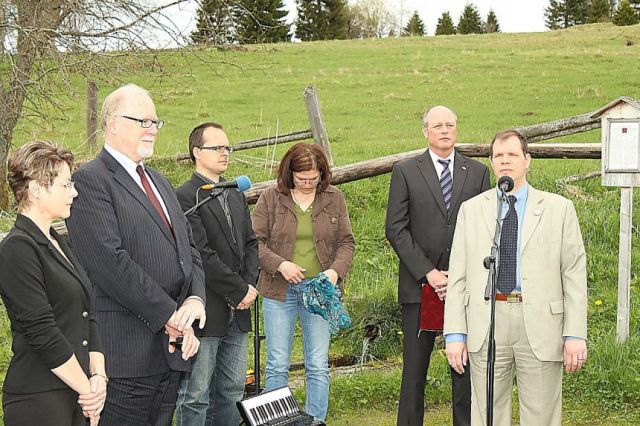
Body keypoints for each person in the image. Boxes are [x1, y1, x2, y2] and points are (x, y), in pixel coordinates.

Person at [66, 83, 207, 426]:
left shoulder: (158, 180)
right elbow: (109, 263)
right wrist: (170, 316)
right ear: (112, 122)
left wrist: (195, 301)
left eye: (155, 122)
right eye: (142, 121)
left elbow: (189, 249)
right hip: (125, 356)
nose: (151, 130)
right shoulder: (90, 181)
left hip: (170, 353)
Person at [444, 130, 588, 426]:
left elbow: (573, 275)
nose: (505, 161)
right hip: (487, 321)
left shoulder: (559, 209)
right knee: (487, 414)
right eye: (499, 156)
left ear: (527, 160)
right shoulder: (472, 211)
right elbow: (458, 275)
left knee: (541, 415)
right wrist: (455, 334)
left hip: (539, 322)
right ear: (492, 162)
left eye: (512, 155)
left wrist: (574, 334)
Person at [385, 106, 490, 426]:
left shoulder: (477, 172)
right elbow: (396, 229)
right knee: (414, 373)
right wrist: (428, 272)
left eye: (450, 125)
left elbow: (487, 227)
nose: (444, 130)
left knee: (464, 371)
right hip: (420, 287)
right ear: (425, 132)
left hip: (465, 288)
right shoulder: (405, 171)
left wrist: (459, 273)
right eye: (437, 125)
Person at [0, 141, 107, 425]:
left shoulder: (60, 241)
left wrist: (98, 376)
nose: (74, 192)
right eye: (65, 185)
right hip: (39, 398)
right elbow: (41, 331)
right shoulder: (17, 249)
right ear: (35, 188)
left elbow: (88, 314)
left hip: (76, 392)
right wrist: (88, 392)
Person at [252, 143, 355, 421]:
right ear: (290, 174)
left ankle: (315, 420)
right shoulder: (270, 198)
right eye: (302, 179)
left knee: (318, 365)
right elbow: (255, 243)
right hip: (278, 291)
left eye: (314, 178)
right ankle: (276, 422)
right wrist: (280, 264)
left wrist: (334, 272)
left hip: (320, 292)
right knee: (276, 364)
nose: (308, 183)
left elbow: (347, 243)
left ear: (322, 174)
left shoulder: (335, 198)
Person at [175, 122, 259, 425]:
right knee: (196, 396)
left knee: (233, 390)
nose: (225, 153)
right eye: (217, 147)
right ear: (197, 152)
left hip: (239, 309)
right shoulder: (186, 196)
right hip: (206, 309)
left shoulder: (235, 192)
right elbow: (201, 253)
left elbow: (250, 242)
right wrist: (238, 290)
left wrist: (249, 287)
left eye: (228, 147)